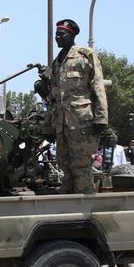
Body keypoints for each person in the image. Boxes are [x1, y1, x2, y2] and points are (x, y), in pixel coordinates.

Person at [48, 19, 108, 194]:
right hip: (62, 124)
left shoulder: (85, 55)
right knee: (65, 166)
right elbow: (53, 97)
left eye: (61, 34)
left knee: (81, 167)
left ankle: (85, 208)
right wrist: (48, 124)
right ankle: (68, 207)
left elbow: (97, 86)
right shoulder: (57, 62)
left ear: (72, 34)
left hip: (81, 122)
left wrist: (101, 117)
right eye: (56, 34)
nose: (57, 37)